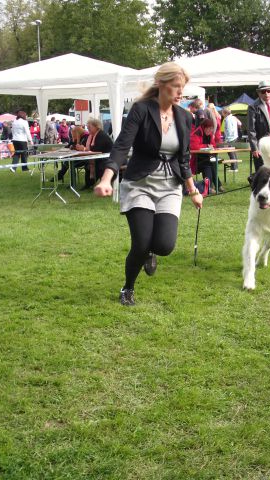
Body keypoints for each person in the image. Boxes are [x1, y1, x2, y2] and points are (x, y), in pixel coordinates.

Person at [94, 62, 204, 306]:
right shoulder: (141, 110)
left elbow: (183, 157)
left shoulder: (185, 117)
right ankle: (128, 288)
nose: (180, 93)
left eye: (182, 88)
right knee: (141, 243)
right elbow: (122, 145)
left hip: (169, 188)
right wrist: (106, 178)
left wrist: (193, 190)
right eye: (175, 87)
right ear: (161, 84)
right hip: (140, 184)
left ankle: (151, 253)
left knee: (164, 246)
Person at [74, 118, 113, 189]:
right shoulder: (92, 136)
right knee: (87, 162)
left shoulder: (101, 135)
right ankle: (89, 183)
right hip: (100, 157)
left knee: (90, 163)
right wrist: (83, 148)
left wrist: (84, 149)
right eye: (87, 127)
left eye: (90, 127)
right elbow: (93, 150)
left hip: (107, 158)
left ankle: (90, 183)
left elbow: (98, 150)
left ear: (96, 126)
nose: (88, 129)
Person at [191, 118, 223, 194]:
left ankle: (213, 186)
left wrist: (211, 146)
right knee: (208, 164)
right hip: (196, 160)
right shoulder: (196, 133)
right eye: (208, 128)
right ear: (204, 127)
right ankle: (210, 187)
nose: (210, 130)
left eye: (211, 128)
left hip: (207, 157)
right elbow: (194, 146)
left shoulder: (210, 135)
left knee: (212, 162)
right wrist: (207, 146)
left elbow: (213, 145)